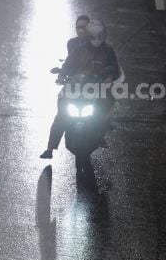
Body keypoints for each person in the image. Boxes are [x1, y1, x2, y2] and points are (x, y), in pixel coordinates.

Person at [40, 20, 119, 159]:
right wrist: (61, 77)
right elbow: (67, 65)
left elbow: (115, 68)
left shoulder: (108, 50)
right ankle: (50, 148)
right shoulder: (79, 49)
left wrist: (109, 76)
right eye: (94, 36)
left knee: (106, 108)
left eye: (100, 36)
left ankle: (100, 134)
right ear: (88, 36)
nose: (97, 39)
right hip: (75, 86)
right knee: (61, 114)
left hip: (97, 87)